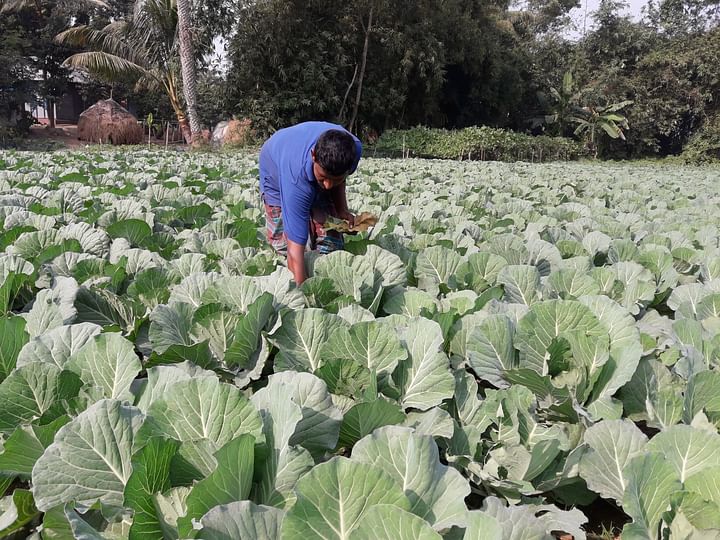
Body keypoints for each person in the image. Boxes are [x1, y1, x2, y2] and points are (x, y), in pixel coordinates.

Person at [259, 121, 363, 285]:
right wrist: (306, 293)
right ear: (313, 155)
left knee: (331, 239)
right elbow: (294, 249)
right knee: (284, 244)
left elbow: (337, 178)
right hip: (275, 166)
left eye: (335, 179)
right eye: (323, 177)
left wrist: (342, 210)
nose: (328, 185)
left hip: (305, 159)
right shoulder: (295, 178)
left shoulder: (354, 150)